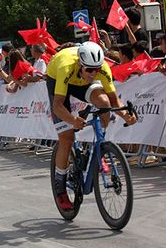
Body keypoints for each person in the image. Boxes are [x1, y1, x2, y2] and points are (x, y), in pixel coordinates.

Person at [46, 42, 136, 210]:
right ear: (80, 64)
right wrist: (73, 121)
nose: (93, 73)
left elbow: (114, 101)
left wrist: (126, 115)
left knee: (103, 102)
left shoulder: (100, 69)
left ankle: (99, 147)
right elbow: (58, 105)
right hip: (58, 80)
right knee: (67, 139)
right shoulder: (66, 66)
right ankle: (60, 188)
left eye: (96, 69)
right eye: (89, 69)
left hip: (82, 84)